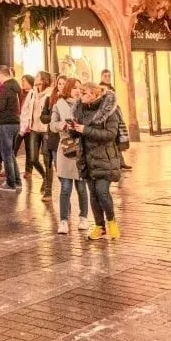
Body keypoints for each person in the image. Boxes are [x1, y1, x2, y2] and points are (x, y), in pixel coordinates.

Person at [72, 81, 121, 240]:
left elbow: (110, 135)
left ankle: (112, 222)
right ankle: (100, 226)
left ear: (95, 95)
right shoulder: (80, 110)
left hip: (105, 158)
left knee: (102, 192)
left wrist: (86, 130)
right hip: (87, 159)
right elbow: (79, 135)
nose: (81, 95)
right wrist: (73, 130)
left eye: (85, 93)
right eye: (81, 92)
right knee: (93, 194)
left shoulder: (108, 111)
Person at [50, 78, 89, 234]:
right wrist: (62, 125)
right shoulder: (59, 104)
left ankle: (83, 218)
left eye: (80, 88)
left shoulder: (85, 105)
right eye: (74, 88)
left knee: (81, 186)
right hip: (66, 147)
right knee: (65, 187)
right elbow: (52, 125)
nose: (77, 90)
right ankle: (64, 221)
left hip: (81, 148)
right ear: (68, 89)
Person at [0, 65, 22, 192]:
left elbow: (0, 107)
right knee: (11, 154)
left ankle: (10, 183)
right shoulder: (16, 87)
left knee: (7, 155)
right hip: (15, 122)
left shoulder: (5, 87)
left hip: (6, 124)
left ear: (0, 75)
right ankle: (17, 181)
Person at [99, 69, 132, 171]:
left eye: (109, 76)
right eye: (105, 76)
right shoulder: (100, 88)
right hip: (108, 117)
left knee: (117, 140)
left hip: (115, 116)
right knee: (112, 141)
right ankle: (115, 163)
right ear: (101, 77)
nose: (107, 78)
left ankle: (120, 162)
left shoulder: (111, 87)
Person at [29, 71, 53, 199]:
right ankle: (44, 176)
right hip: (34, 128)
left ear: (43, 80)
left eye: (37, 76)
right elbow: (28, 109)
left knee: (47, 159)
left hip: (46, 130)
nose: (35, 78)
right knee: (33, 159)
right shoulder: (33, 93)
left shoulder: (50, 94)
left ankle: (48, 189)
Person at [18, 74, 37, 178]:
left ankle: (28, 170)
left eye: (24, 81)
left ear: (30, 82)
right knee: (14, 147)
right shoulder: (20, 93)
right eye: (22, 81)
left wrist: (28, 125)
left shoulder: (33, 93)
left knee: (29, 149)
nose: (22, 83)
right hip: (20, 124)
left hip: (29, 126)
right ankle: (9, 168)